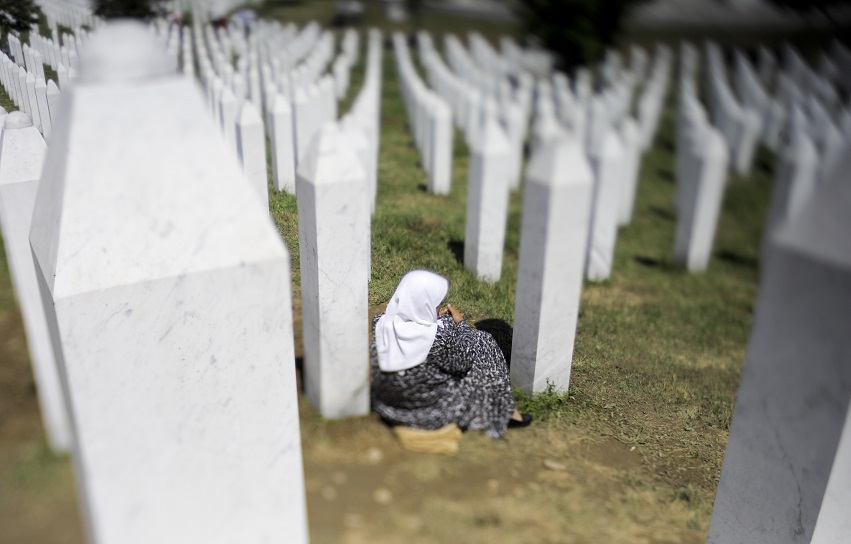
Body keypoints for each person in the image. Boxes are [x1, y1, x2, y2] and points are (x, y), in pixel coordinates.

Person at [371, 270, 532, 439]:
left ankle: (504, 408)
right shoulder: (440, 337)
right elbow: (462, 362)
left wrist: (433, 318)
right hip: (427, 412)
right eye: (436, 303)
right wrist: (459, 323)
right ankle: (504, 410)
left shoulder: (381, 322)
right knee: (483, 341)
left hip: (390, 407)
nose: (440, 306)